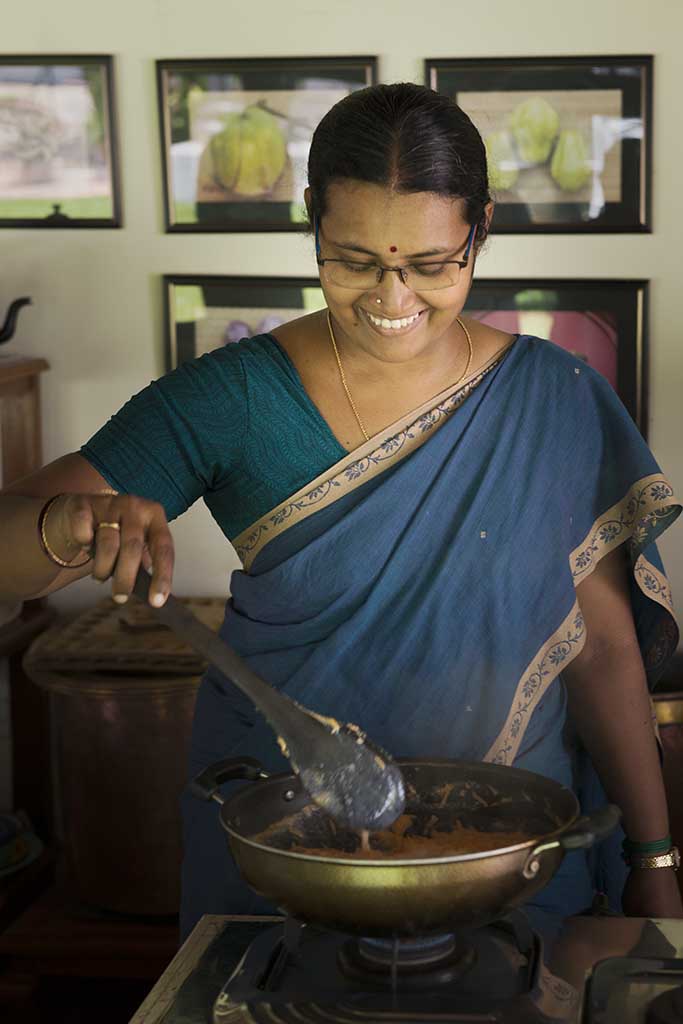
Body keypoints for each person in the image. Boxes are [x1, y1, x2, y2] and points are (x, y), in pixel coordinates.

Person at [1, 83, 681, 941]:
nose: (392, 300)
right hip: (289, 857)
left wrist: (654, 861)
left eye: (432, 265)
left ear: (483, 228)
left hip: (506, 857)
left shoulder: (552, 396)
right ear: (309, 222)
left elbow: (604, 653)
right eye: (352, 260)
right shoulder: (236, 397)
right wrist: (63, 526)